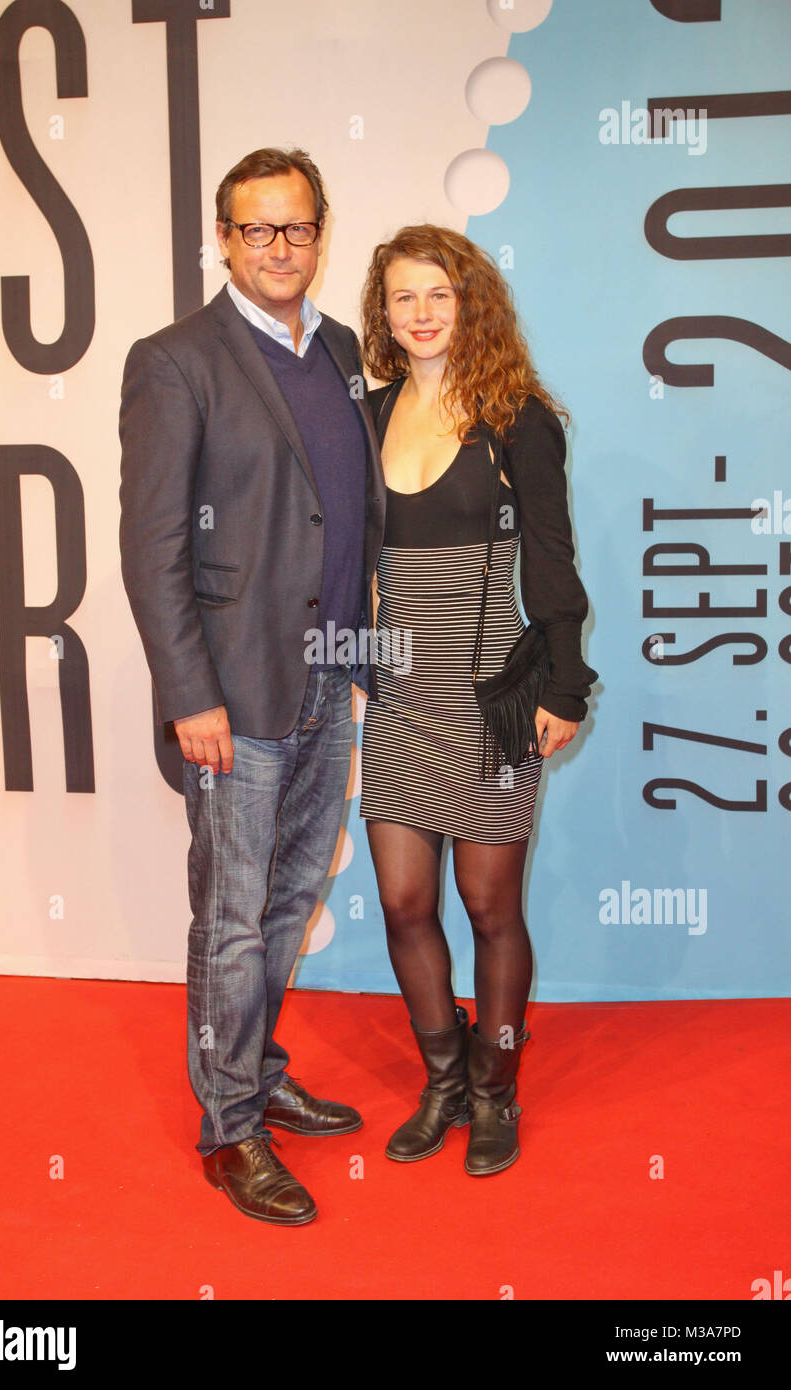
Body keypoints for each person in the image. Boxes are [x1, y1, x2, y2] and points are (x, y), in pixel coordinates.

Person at [118, 148, 385, 1226]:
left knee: (285, 900)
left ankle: (256, 1068)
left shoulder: (344, 351)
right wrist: (191, 693)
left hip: (327, 682)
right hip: (231, 693)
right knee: (229, 916)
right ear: (223, 239)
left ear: (322, 234)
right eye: (256, 229)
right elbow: (151, 546)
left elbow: (348, 513)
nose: (280, 248)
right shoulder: (174, 358)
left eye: (298, 228)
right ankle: (227, 1127)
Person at [358, 225, 598, 1176]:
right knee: (403, 899)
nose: (419, 314)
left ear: (471, 305)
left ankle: (496, 1093)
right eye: (403, 298)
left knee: (489, 905)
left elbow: (553, 556)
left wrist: (567, 683)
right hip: (401, 698)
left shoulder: (517, 415)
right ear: (383, 313)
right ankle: (444, 1078)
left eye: (438, 296)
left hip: (496, 697)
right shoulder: (366, 416)